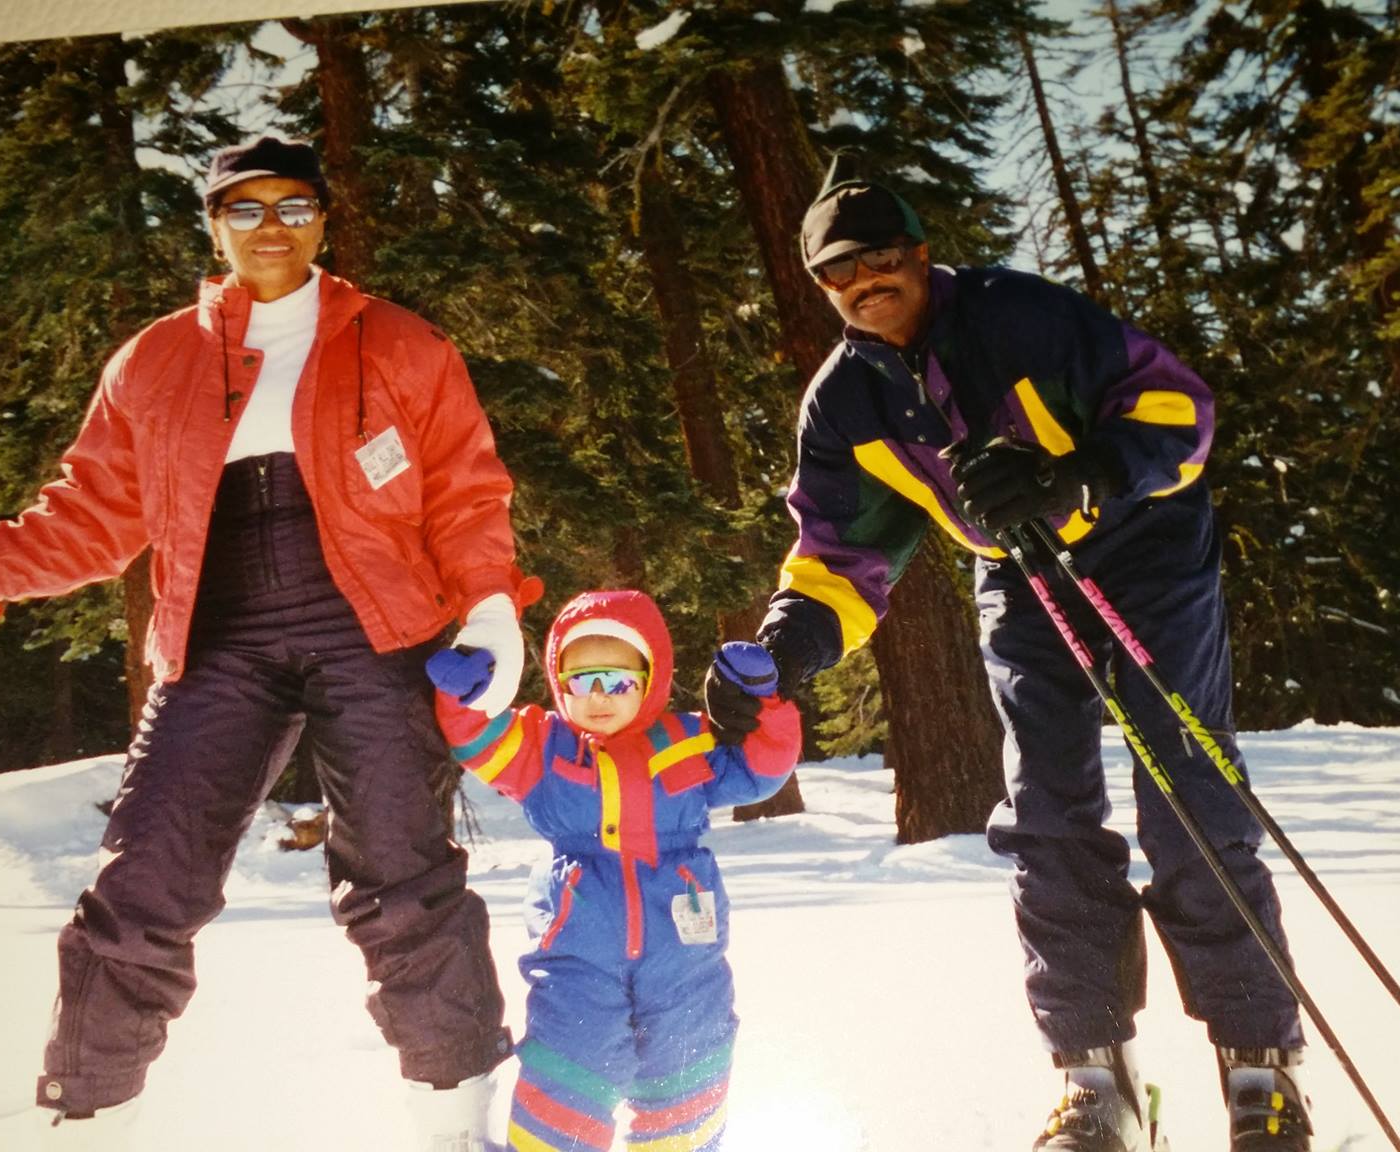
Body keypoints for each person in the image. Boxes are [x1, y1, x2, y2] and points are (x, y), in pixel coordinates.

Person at [0, 136, 529, 1150]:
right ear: (213, 226)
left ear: (323, 221)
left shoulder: (400, 342)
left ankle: (452, 1122)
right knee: (144, 881)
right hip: (218, 639)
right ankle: (90, 1119)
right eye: (245, 208)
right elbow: (84, 517)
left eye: (293, 206)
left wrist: (489, 608)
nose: (271, 227)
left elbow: (465, 492)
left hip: (372, 629)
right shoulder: (155, 361)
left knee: (402, 877)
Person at [699, 156, 1312, 1152]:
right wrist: (787, 647)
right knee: (1045, 815)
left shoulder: (1016, 316)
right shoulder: (844, 404)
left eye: (881, 257)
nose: (865, 281)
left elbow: (1178, 409)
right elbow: (840, 555)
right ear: (820, 285)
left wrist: (1076, 475)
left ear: (918, 253)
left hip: (1144, 544)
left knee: (1188, 793)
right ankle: (1094, 1081)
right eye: (839, 270)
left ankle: (1259, 1072)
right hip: (1022, 577)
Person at [427, 589, 801, 1152]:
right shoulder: (543, 746)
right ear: (559, 682)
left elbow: (759, 769)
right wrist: (463, 697)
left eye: (618, 681)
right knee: (571, 1058)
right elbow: (479, 739)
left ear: (651, 677)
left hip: (684, 950)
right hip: (579, 948)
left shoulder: (687, 739)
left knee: (690, 1056)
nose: (599, 696)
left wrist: (766, 704)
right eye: (581, 681)